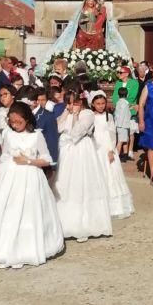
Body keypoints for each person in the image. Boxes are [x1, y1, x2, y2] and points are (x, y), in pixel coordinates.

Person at [0, 102, 64, 269]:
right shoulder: (8, 134)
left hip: (30, 176)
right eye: (12, 122)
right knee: (6, 210)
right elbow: (4, 155)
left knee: (28, 211)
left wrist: (28, 160)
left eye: (18, 122)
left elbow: (47, 158)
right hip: (8, 176)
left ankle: (26, 248)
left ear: (27, 120)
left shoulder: (36, 136)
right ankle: (3, 248)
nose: (15, 125)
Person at [54, 91, 112, 242]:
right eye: (70, 102)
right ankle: (63, 223)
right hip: (66, 151)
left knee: (81, 184)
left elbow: (76, 132)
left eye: (75, 102)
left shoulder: (87, 114)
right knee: (64, 184)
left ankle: (84, 225)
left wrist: (75, 116)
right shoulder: (66, 112)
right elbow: (58, 128)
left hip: (81, 150)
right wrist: (66, 113)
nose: (72, 105)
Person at [91, 91, 134, 218]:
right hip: (94, 146)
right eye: (98, 104)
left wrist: (110, 150)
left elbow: (111, 133)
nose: (101, 106)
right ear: (93, 104)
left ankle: (114, 206)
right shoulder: (90, 116)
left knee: (110, 174)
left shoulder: (108, 116)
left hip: (106, 146)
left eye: (103, 103)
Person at [112, 66, 139, 160]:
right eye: (118, 72)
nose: (119, 74)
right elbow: (115, 96)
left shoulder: (134, 83)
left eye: (121, 72)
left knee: (130, 132)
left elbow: (132, 96)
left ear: (127, 74)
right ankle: (123, 153)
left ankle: (130, 151)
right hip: (119, 110)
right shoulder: (118, 83)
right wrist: (118, 104)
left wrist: (123, 103)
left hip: (130, 110)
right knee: (121, 131)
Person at [114, 87, 131, 161]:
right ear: (127, 95)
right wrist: (121, 125)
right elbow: (123, 114)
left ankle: (125, 154)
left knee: (125, 140)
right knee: (121, 141)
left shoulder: (118, 102)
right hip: (122, 125)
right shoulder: (125, 103)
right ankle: (117, 156)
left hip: (120, 124)